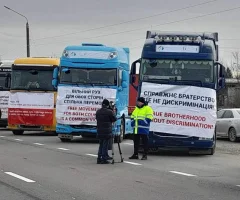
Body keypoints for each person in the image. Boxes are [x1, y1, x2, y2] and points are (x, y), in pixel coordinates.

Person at [96, 99, 117, 164]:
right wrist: (113, 111)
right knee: (105, 145)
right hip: (107, 131)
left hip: (100, 130)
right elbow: (114, 119)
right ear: (108, 105)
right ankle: (104, 159)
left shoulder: (98, 111)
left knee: (101, 145)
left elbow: (97, 118)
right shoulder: (109, 112)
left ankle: (99, 158)